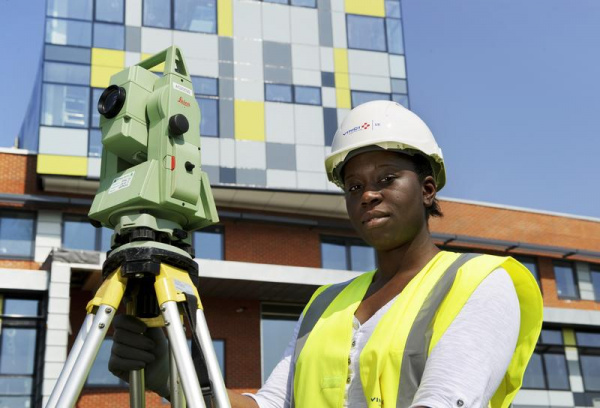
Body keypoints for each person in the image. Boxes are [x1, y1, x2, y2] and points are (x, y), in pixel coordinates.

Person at [109, 101, 543, 408]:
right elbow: (272, 404)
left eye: (387, 178)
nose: (368, 194)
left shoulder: (480, 282)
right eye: (354, 186)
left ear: (427, 190)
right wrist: (177, 380)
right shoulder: (324, 304)